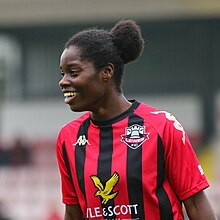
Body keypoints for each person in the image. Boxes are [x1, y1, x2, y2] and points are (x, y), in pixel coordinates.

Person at [56, 19, 217, 220]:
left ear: (106, 72)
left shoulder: (161, 126)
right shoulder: (68, 137)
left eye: (73, 72)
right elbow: (73, 212)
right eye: (62, 74)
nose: (63, 81)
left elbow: (195, 204)